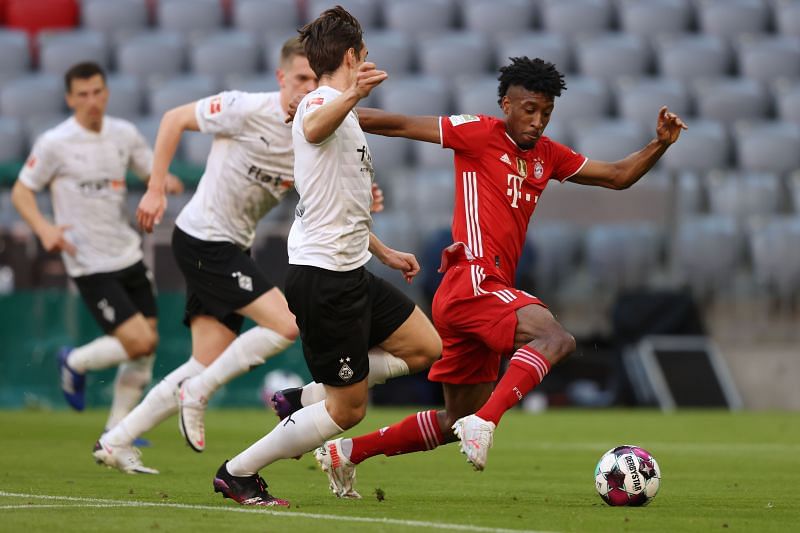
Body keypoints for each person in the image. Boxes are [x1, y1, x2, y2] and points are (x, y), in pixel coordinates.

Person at [275, 56, 688, 497]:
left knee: (454, 422)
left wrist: (659, 143)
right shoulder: (478, 131)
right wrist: (311, 114)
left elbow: (618, 176)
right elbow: (395, 123)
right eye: (529, 109)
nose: (537, 122)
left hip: (483, 295)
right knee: (557, 340)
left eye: (546, 113)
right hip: (472, 280)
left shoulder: (548, 156)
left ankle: (345, 454)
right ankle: (488, 422)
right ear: (505, 104)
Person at [92, 37, 406, 475]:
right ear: (281, 78)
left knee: (204, 360)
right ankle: (198, 392)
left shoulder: (312, 131)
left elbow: (325, 204)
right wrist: (155, 186)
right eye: (298, 79)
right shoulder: (245, 108)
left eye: (314, 80)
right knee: (285, 323)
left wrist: (362, 201)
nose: (306, 88)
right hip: (203, 239)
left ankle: (115, 440)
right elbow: (173, 118)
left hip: (230, 246)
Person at [210, 6, 442, 507]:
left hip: (350, 270)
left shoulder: (344, 111)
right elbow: (312, 127)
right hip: (324, 279)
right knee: (349, 411)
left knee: (425, 347)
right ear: (353, 56)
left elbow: (339, 199)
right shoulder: (321, 101)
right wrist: (355, 93)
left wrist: (383, 250)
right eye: (364, 53)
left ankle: (305, 398)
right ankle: (238, 471)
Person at [11, 62, 183, 438]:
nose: (91, 100)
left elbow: (146, 169)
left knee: (145, 349)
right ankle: (74, 361)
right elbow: (22, 190)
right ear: (70, 98)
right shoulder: (55, 142)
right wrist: (43, 228)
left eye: (97, 91)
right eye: (82, 94)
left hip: (128, 252)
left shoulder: (123, 133)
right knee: (140, 340)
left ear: (106, 92)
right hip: (89, 261)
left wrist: (163, 181)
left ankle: (117, 430)